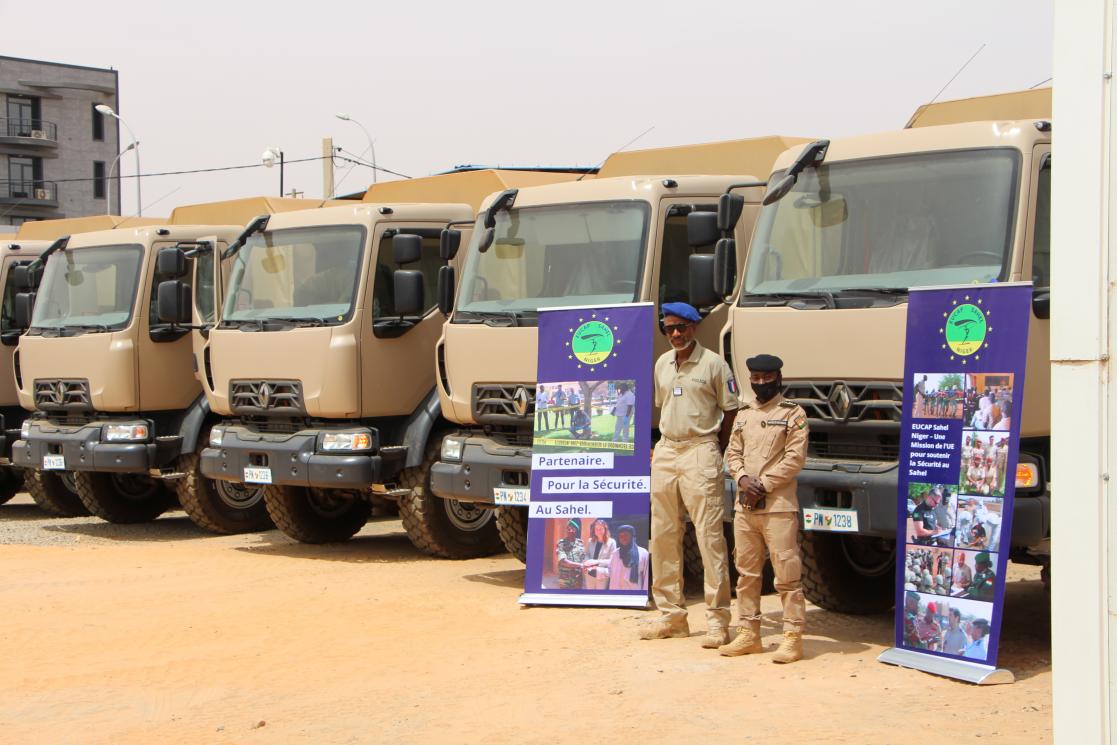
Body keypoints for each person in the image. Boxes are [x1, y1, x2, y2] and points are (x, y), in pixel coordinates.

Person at [642, 302, 738, 648]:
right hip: (667, 449)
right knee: (663, 534)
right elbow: (663, 407)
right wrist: (662, 447)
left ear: (694, 327)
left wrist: (717, 449)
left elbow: (730, 412)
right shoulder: (662, 364)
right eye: (670, 328)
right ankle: (671, 616)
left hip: (701, 447)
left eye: (682, 327)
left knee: (710, 536)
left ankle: (718, 620)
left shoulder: (714, 364)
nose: (676, 334)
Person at [719, 353, 809, 664]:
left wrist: (764, 485)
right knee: (746, 573)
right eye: (755, 379)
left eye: (766, 378)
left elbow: (795, 459)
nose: (760, 384)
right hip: (745, 506)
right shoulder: (743, 415)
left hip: (778, 507)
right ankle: (748, 633)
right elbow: (733, 452)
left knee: (786, 574)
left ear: (778, 378)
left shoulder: (793, 414)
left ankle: (792, 636)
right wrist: (742, 478)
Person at [608, 524, 649, 591]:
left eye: (626, 535)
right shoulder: (615, 553)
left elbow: (646, 578)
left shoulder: (643, 553)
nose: (623, 538)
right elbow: (610, 572)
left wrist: (644, 596)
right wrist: (597, 571)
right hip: (616, 594)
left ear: (632, 536)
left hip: (634, 595)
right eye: (621, 536)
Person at [582, 518, 615, 590]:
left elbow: (612, 561)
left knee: (599, 597)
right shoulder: (590, 541)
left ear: (605, 529)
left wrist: (596, 562)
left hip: (602, 575)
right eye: (596, 528)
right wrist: (587, 563)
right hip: (589, 574)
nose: (598, 531)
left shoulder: (612, 542)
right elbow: (587, 554)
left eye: (600, 528)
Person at [555, 518, 586, 590]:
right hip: (565, 579)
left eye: (573, 529)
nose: (570, 531)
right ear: (566, 530)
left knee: (577, 598)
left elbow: (583, 558)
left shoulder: (580, 543)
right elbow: (563, 561)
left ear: (576, 531)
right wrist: (580, 565)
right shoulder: (561, 543)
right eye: (568, 529)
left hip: (578, 579)